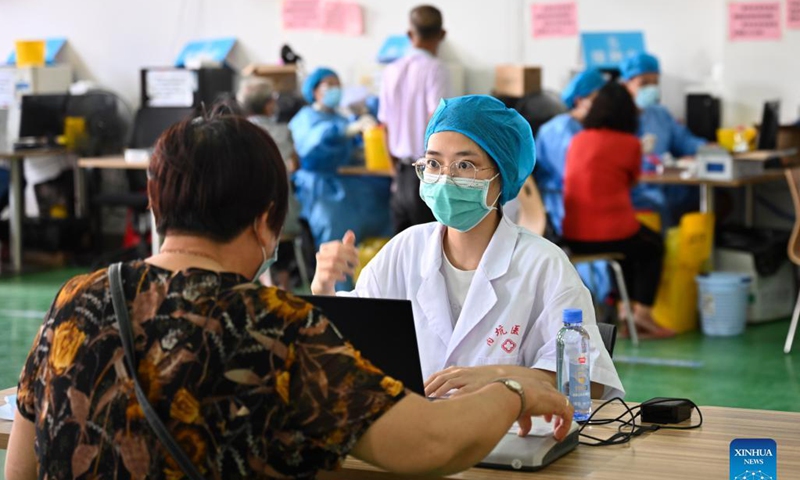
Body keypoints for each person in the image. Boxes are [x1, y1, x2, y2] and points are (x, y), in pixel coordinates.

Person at [5, 114, 574, 480]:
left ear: (156, 207)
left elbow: (21, 467)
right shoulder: (274, 324)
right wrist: (510, 391)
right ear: (266, 222)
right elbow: (428, 446)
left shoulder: (76, 299)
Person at [312, 95, 625, 400]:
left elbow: (591, 382)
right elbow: (347, 349)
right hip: (413, 436)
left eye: (465, 165)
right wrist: (323, 290)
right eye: (433, 162)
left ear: (502, 176)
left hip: (505, 440)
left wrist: (504, 377)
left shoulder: (543, 265)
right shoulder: (404, 251)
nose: (445, 179)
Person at [562, 82, 672, 339]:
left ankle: (625, 310)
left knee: (628, 251)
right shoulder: (630, 144)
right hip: (613, 234)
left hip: (572, 235)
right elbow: (632, 181)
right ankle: (641, 316)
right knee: (652, 245)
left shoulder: (577, 140)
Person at [289, 67, 391, 251]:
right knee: (334, 223)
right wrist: (345, 131)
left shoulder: (341, 117)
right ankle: (335, 278)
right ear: (314, 90)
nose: (335, 89)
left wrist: (362, 123)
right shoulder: (305, 118)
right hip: (317, 184)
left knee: (382, 205)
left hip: (344, 181)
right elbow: (311, 144)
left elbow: (353, 149)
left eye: (338, 84)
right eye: (329, 84)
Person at [533, 68, 612, 303]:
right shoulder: (560, 130)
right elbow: (575, 175)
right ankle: (593, 299)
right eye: (599, 99)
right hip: (560, 205)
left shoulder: (587, 129)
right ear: (580, 100)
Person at [379, 4, 451, 234]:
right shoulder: (435, 69)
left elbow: (384, 126)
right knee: (429, 248)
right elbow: (437, 120)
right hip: (426, 172)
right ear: (442, 35)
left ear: (410, 35)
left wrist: (394, 171)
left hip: (400, 172)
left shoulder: (390, 71)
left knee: (403, 252)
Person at [620, 52, 707, 227]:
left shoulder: (660, 114)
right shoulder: (617, 117)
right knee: (656, 204)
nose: (651, 88)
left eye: (655, 82)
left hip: (668, 185)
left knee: (710, 198)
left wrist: (710, 149)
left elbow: (685, 141)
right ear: (626, 84)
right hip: (636, 188)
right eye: (644, 83)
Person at [238, 76, 302, 288]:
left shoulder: (236, 133)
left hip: (244, 217)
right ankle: (281, 288)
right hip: (282, 216)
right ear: (269, 104)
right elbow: (294, 165)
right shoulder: (283, 132)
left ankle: (266, 284)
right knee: (282, 247)